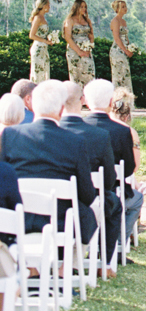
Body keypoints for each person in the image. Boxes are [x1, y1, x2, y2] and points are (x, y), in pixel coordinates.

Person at [0, 79, 98, 243]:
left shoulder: (10, 136)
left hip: (18, 219)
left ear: (33, 107)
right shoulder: (75, 142)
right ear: (61, 110)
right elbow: (87, 195)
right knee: (89, 216)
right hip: (60, 223)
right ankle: (67, 266)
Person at [61, 81, 121, 274]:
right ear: (82, 100)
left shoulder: (51, 133)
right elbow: (109, 180)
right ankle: (104, 262)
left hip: (51, 202)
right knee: (113, 201)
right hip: (87, 201)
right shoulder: (99, 135)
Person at [83, 79, 144, 239]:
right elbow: (129, 168)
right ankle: (117, 242)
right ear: (111, 102)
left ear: (87, 102)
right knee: (137, 199)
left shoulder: (78, 127)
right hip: (112, 193)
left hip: (82, 193)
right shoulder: (122, 131)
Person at [63, 0, 96, 88]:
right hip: (74, 51)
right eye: (81, 7)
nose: (84, 9)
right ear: (76, 7)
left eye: (85, 7)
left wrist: (89, 48)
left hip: (87, 50)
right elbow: (68, 37)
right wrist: (79, 51)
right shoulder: (70, 20)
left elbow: (91, 36)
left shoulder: (87, 20)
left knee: (89, 74)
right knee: (77, 77)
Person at [109, 0, 134, 93]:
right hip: (117, 50)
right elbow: (117, 38)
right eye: (123, 7)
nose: (125, 8)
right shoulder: (115, 21)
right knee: (118, 75)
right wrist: (125, 50)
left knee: (125, 74)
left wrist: (130, 48)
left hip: (124, 50)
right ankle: (117, 100)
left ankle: (127, 99)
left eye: (125, 6)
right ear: (117, 8)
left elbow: (126, 37)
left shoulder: (124, 21)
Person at [28, 0, 52, 83]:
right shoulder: (37, 18)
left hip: (44, 48)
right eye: (48, 5)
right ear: (44, 6)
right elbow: (32, 35)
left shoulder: (43, 17)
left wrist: (49, 40)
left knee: (44, 73)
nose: (49, 7)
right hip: (38, 48)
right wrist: (45, 41)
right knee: (38, 74)